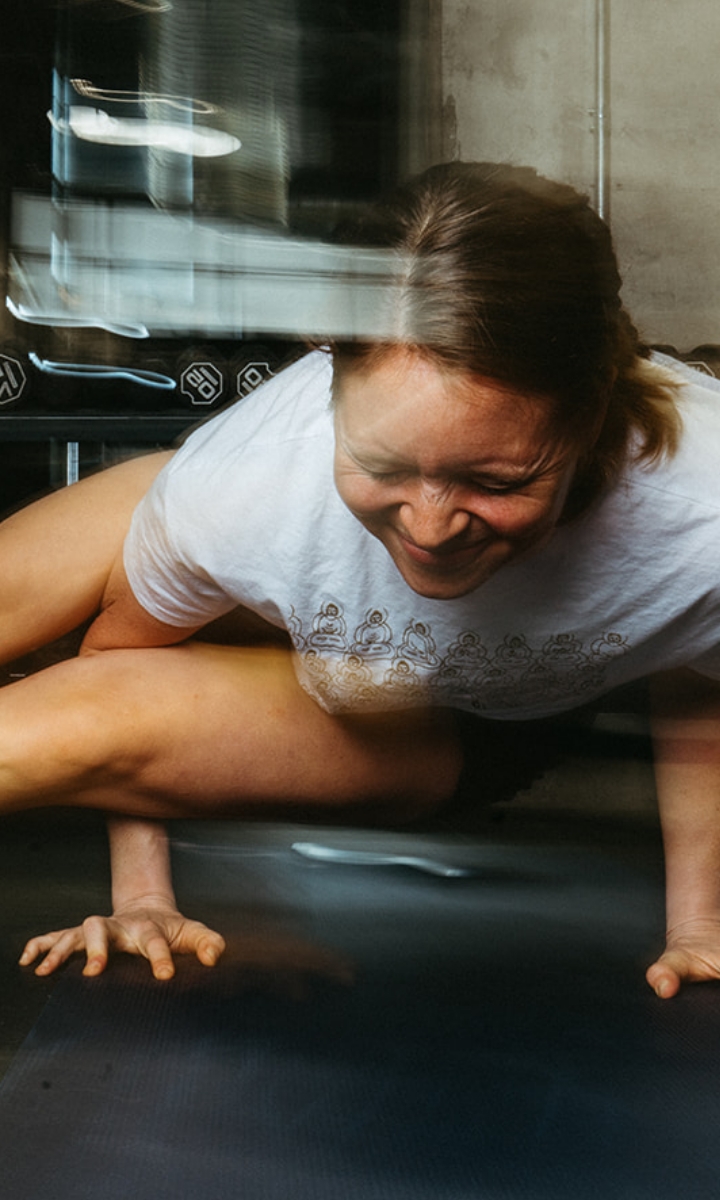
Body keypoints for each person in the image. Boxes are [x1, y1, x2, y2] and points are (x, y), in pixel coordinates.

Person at [4, 161, 720, 999]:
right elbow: (122, 644)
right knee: (165, 521)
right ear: (331, 391)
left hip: (425, 712)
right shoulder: (248, 482)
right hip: (259, 531)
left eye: (495, 482)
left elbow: (698, 666)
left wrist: (699, 924)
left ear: (591, 416)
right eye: (381, 463)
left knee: (30, 742)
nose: (429, 527)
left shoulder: (696, 508)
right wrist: (143, 900)